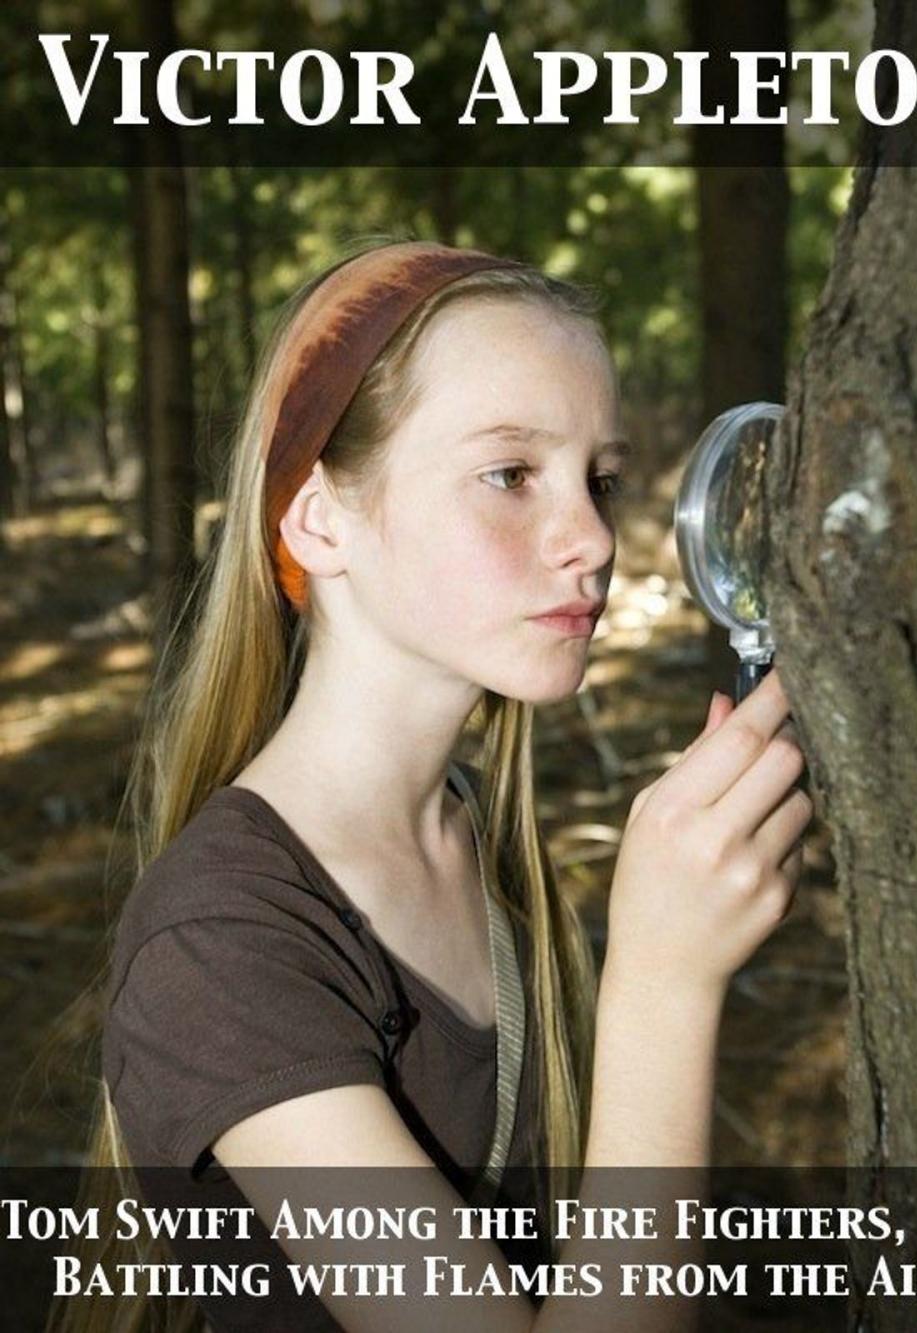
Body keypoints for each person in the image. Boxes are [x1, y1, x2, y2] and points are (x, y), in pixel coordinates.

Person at [62, 238, 810, 1333]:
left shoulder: (481, 839)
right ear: (320, 520)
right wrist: (665, 984)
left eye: (599, 478)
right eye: (510, 475)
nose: (594, 539)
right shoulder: (222, 941)